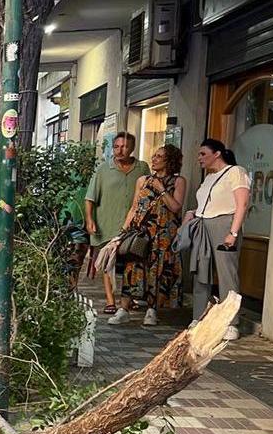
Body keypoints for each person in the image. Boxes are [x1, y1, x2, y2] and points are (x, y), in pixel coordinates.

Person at [109, 145, 187, 326]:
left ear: (170, 160)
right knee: (132, 269)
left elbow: (176, 207)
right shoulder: (143, 180)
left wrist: (161, 189)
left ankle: (152, 310)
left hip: (164, 235)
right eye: (154, 156)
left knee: (158, 271)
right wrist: (123, 231)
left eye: (159, 156)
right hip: (141, 233)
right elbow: (135, 207)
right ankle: (124, 309)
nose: (154, 159)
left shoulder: (178, 182)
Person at [185, 138, 250, 341]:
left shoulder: (235, 172)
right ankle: (199, 316)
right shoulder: (209, 178)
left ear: (217, 154)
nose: (200, 158)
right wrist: (192, 212)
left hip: (225, 224)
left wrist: (233, 232)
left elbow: (242, 203)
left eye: (203, 154)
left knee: (226, 273)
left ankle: (231, 323)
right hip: (203, 225)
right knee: (201, 271)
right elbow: (208, 203)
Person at [85, 132, 150, 314]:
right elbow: (90, 197)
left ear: (132, 148)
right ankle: (110, 301)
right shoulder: (104, 169)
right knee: (108, 262)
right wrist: (90, 219)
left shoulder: (142, 168)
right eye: (116, 147)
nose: (120, 151)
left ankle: (127, 300)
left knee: (132, 262)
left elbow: (148, 194)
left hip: (133, 226)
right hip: (107, 222)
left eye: (124, 147)